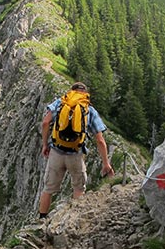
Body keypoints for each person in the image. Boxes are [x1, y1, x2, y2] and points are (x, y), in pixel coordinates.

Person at [38, 82, 114, 218]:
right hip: (75, 154)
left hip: (56, 152)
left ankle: (41, 219)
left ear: (71, 91)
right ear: (85, 93)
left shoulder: (61, 102)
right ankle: (72, 220)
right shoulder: (89, 109)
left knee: (48, 189)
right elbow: (100, 140)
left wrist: (45, 144)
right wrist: (106, 163)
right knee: (78, 188)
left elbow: (45, 122)